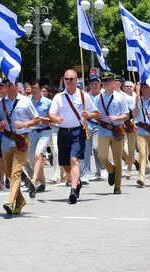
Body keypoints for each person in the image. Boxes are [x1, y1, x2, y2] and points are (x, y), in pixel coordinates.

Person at [49, 69, 99, 203]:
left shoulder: (83, 96)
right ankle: (76, 182)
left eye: (71, 79)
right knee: (65, 165)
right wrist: (56, 118)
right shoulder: (58, 97)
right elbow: (51, 114)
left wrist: (88, 115)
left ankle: (72, 190)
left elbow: (97, 113)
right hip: (63, 132)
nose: (69, 81)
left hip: (78, 131)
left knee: (74, 160)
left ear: (77, 80)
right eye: (66, 79)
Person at [0, 77, 39, 214]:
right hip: (7, 140)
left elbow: (37, 120)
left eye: (9, 84)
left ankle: (10, 201)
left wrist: (25, 124)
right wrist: (0, 124)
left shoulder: (26, 101)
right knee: (9, 173)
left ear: (16, 85)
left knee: (16, 173)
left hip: (22, 140)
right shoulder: (0, 102)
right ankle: (20, 200)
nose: (6, 87)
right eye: (5, 85)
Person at [93, 71, 132, 194]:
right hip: (103, 129)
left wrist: (116, 118)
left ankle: (118, 186)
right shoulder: (97, 98)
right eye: (104, 81)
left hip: (117, 130)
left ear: (113, 82)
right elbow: (94, 114)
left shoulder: (120, 97)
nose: (106, 83)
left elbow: (126, 115)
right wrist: (95, 117)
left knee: (117, 159)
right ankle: (111, 170)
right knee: (102, 156)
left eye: (108, 80)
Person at [25, 80, 52, 196]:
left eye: (36, 87)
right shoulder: (26, 102)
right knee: (33, 160)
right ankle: (43, 183)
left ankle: (33, 180)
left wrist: (41, 119)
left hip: (44, 132)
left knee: (38, 154)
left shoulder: (48, 102)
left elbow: (53, 119)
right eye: (32, 87)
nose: (33, 90)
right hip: (31, 132)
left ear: (41, 89)